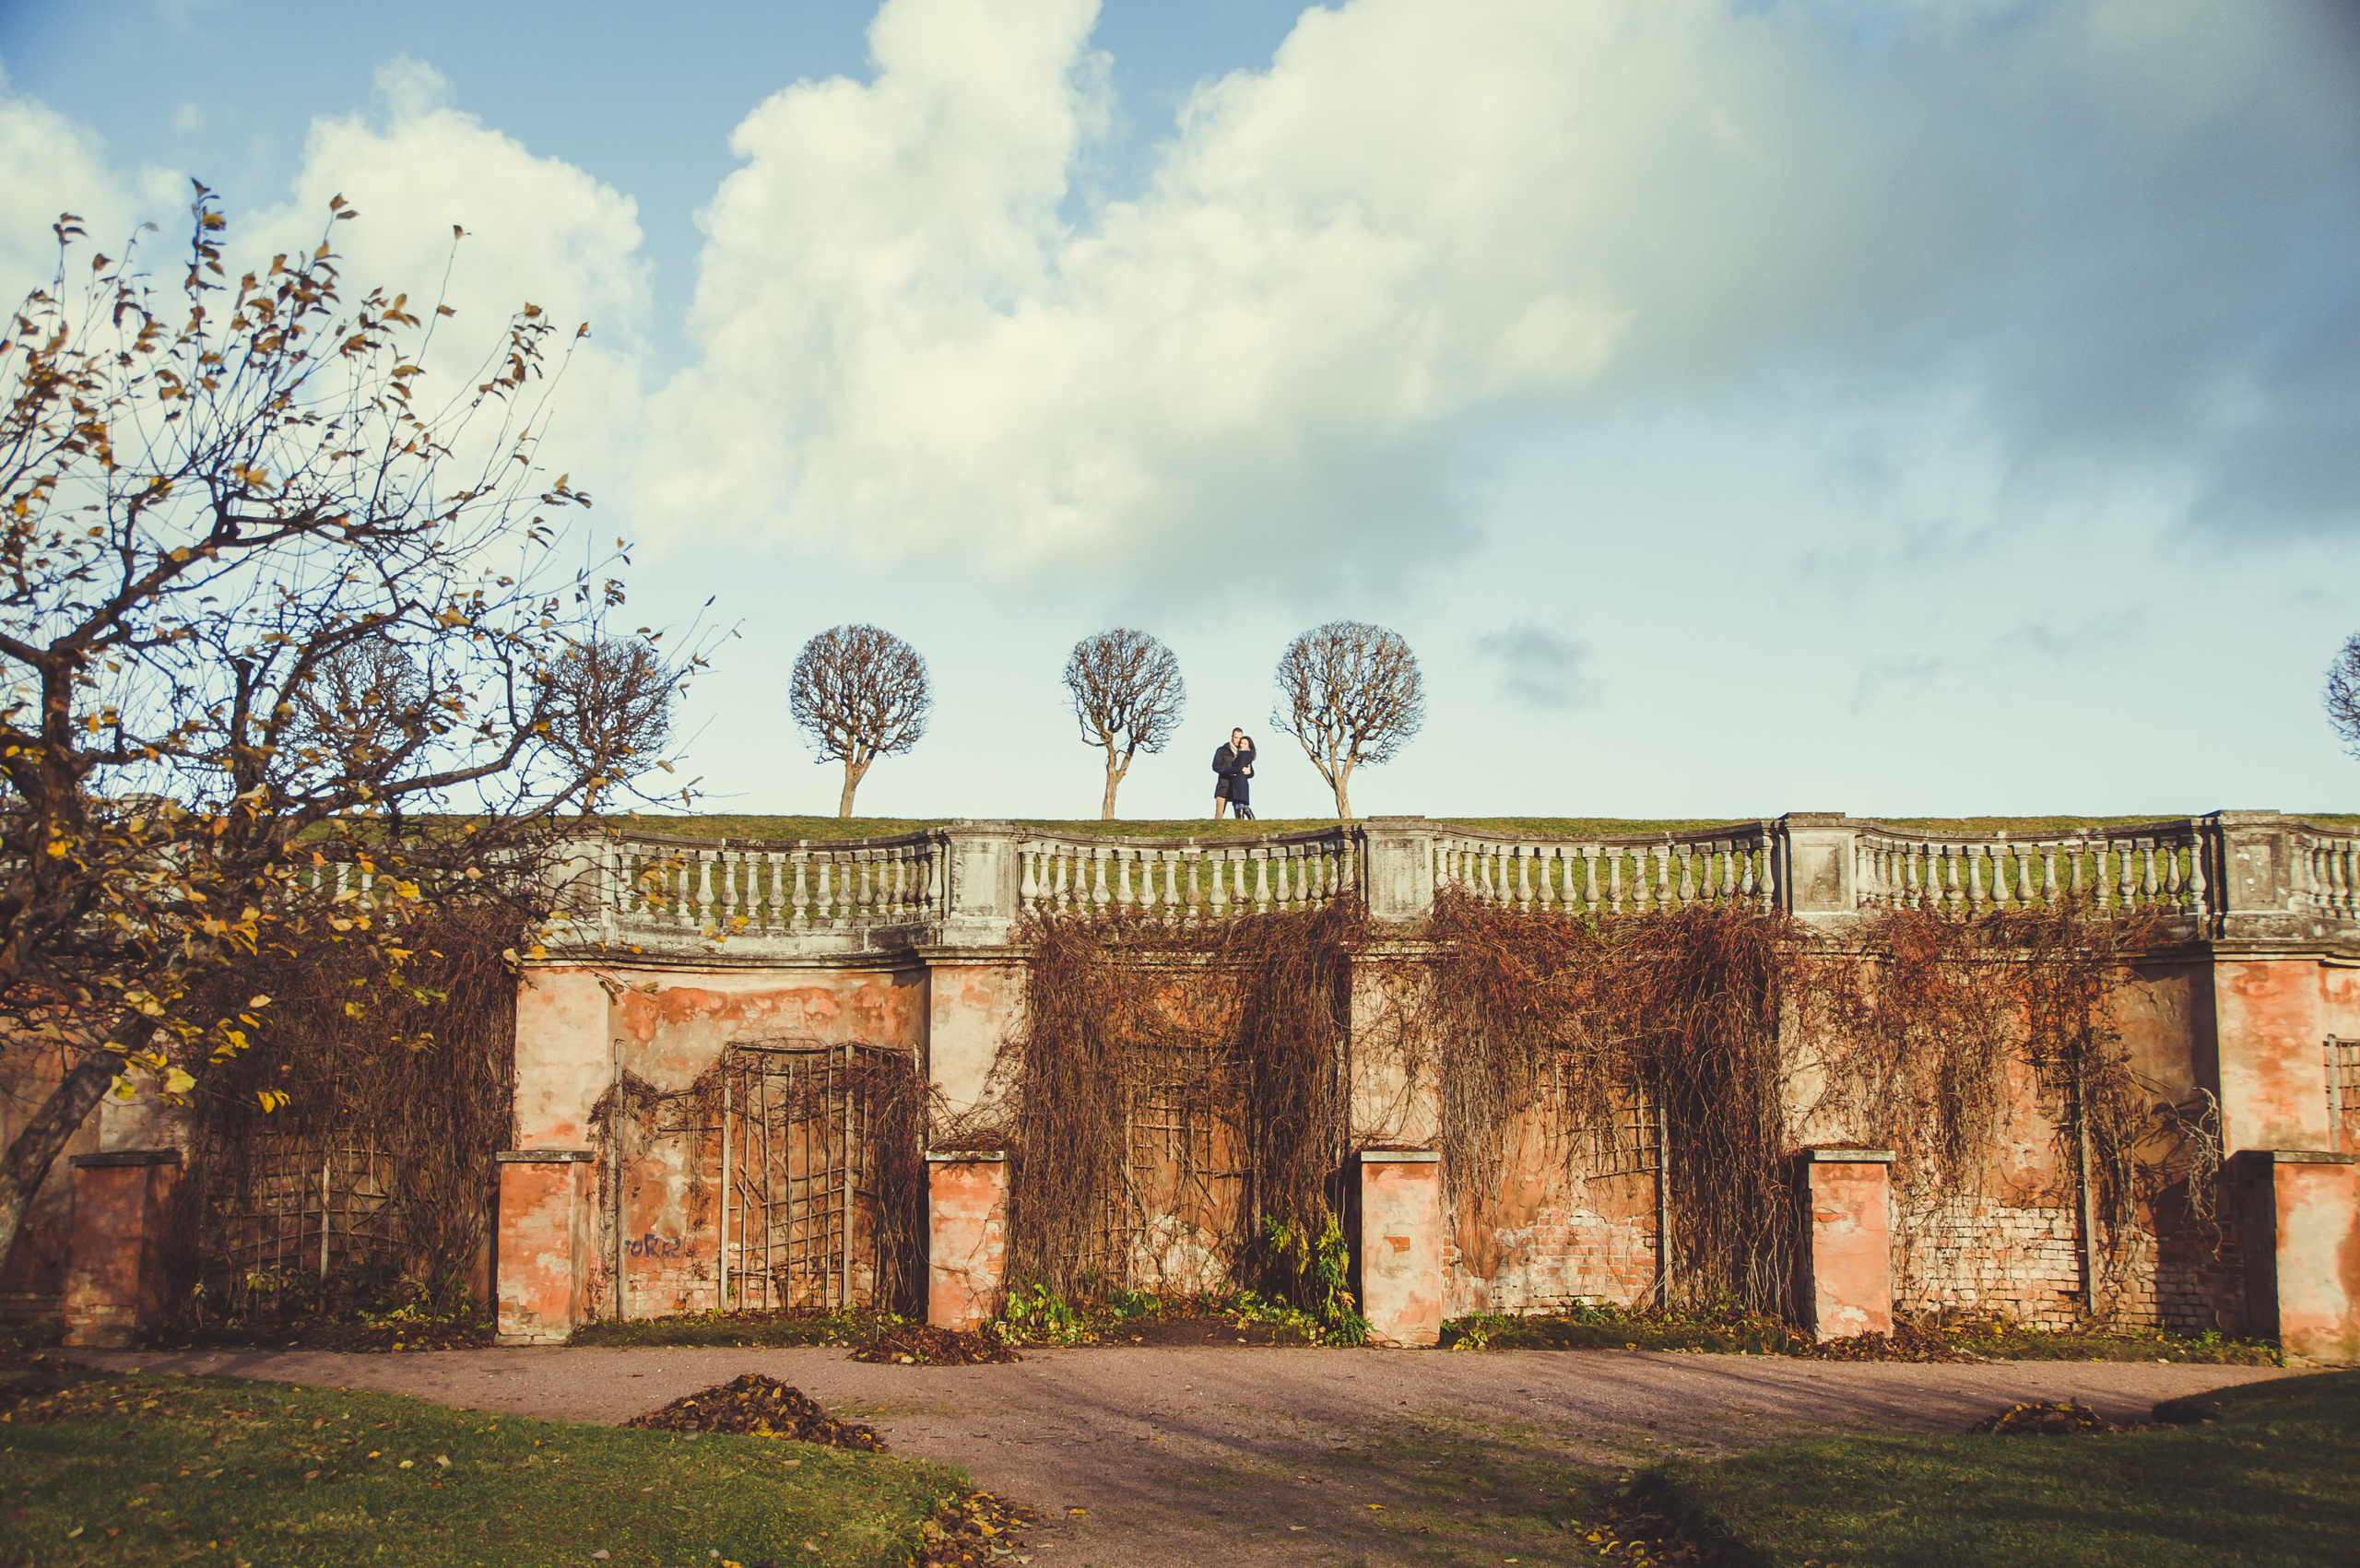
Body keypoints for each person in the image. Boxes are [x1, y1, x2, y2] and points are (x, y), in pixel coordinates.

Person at [1211, 728, 1255, 819]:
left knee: (1239, 816)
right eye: (1236, 737)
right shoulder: (1222, 750)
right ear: (1232, 737)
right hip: (1223, 786)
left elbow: (1249, 770)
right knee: (1219, 814)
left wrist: (1250, 772)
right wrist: (1229, 771)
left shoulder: (1243, 753)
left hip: (1237, 788)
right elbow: (1216, 766)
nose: (1238, 740)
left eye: (1240, 738)